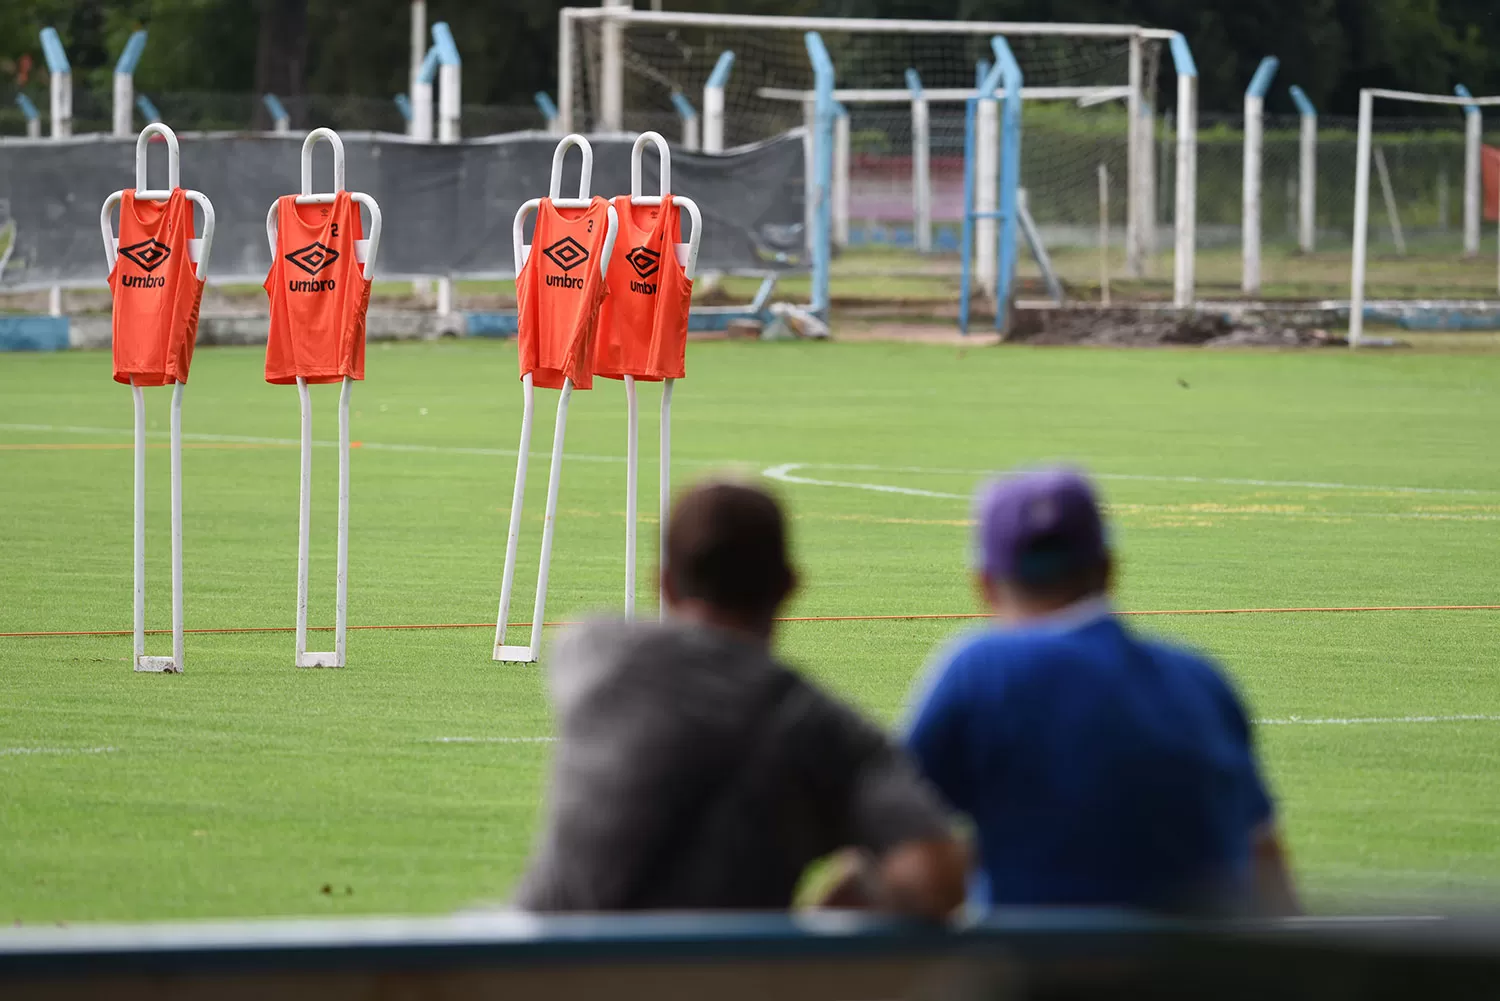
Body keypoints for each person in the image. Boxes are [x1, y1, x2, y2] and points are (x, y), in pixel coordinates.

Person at [514, 480, 967, 918]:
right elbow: (935, 874)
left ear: (664, 584)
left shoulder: (594, 655)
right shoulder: (824, 729)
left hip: (546, 966)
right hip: (728, 978)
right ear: (789, 586)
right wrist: (827, 912)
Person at [903, 468, 1299, 916]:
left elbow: (910, 862)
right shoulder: (1202, 679)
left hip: (1043, 975)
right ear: (1109, 569)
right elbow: (1267, 867)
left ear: (985, 586)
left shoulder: (980, 669)